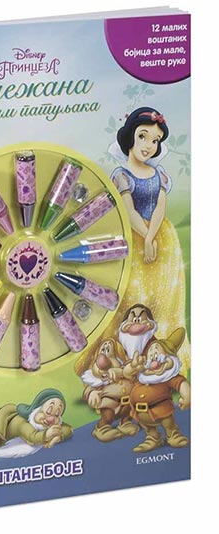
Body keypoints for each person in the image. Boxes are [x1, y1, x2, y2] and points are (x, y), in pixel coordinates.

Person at [78, 107, 189, 375]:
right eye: (143, 136)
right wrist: (145, 238)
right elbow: (128, 211)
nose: (149, 145)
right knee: (131, 294)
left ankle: (160, 355)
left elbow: (160, 208)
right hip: (132, 238)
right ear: (130, 137)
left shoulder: (159, 174)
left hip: (161, 238)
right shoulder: (122, 175)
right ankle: (123, 357)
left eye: (155, 140)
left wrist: (152, 237)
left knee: (164, 295)